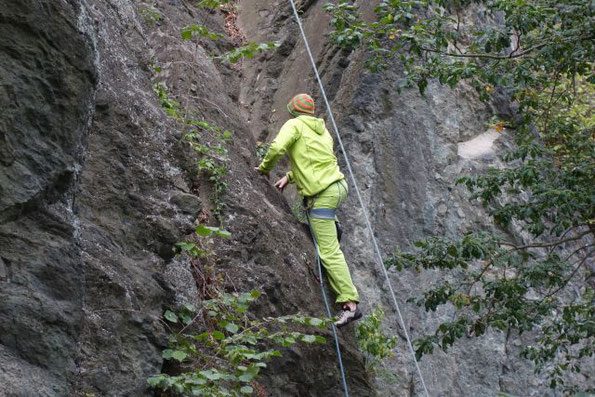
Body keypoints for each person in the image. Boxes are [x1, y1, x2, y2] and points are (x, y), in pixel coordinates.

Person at [254, 93, 362, 328]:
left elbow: (277, 147)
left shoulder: (293, 125)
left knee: (329, 251)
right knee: (323, 228)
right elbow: (316, 159)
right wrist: (289, 176)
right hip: (337, 187)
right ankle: (331, 226)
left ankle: (350, 304)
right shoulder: (322, 130)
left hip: (322, 194)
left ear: (292, 111)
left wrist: (264, 168)